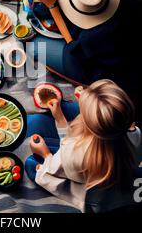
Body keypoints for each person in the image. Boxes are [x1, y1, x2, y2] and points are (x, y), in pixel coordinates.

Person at [28, 0, 142, 121]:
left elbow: (73, 48)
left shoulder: (92, 37)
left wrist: (53, 6)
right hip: (127, 45)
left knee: (35, 46)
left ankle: (37, 7)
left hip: (103, 71)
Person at [25, 79, 141, 212]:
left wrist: (45, 154)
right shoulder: (136, 134)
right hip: (121, 174)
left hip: (89, 191)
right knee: (68, 108)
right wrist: (89, 101)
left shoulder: (74, 154)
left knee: (31, 163)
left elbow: (57, 166)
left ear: (89, 125)